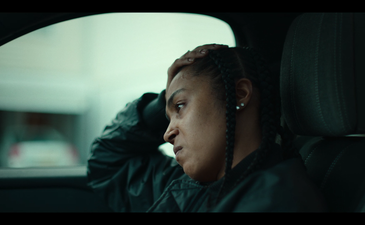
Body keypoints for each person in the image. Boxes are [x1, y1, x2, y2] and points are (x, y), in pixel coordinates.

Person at [87, 44, 327, 212]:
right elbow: (107, 164)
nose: (167, 133)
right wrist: (164, 101)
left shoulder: (276, 201)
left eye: (180, 106)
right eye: (167, 117)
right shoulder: (187, 186)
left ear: (239, 95)